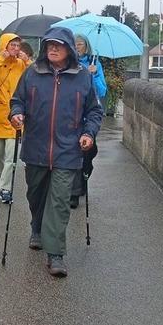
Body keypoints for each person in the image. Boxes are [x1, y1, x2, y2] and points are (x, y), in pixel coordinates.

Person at [10, 27, 103, 277]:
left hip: (68, 150)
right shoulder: (32, 73)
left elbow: (94, 111)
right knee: (36, 195)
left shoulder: (83, 77)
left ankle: (56, 254)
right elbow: (17, 100)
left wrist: (88, 133)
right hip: (36, 148)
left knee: (60, 202)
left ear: (69, 49)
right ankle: (37, 227)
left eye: (59, 45)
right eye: (49, 44)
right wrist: (16, 113)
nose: (53, 48)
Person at [0, 33, 32, 203]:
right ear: (4, 46)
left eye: (18, 46)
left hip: (15, 117)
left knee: (11, 157)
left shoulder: (21, 64)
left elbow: (35, 79)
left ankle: (5, 188)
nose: (15, 49)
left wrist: (27, 62)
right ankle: (4, 180)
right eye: (12, 45)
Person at [70, 34, 107, 208]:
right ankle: (74, 193)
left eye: (80, 44)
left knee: (89, 155)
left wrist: (95, 74)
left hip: (88, 117)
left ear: (86, 46)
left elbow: (101, 91)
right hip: (72, 117)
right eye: (75, 44)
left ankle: (83, 178)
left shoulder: (94, 64)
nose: (77, 47)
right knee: (75, 154)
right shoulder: (68, 64)